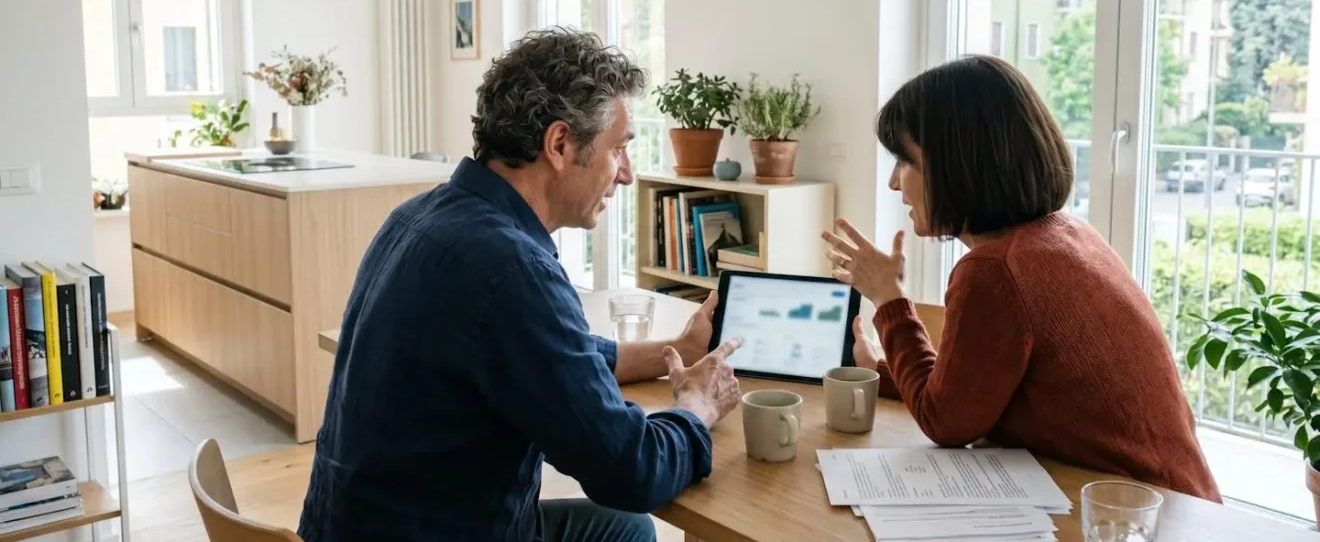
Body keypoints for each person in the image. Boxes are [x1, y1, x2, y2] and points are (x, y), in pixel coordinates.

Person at [298, 27, 743, 542]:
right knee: (631, 521)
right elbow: (632, 471)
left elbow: (552, 355)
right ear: (558, 144)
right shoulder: (512, 268)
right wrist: (698, 407)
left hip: (355, 527)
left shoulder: (416, 217)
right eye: (619, 149)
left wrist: (676, 349)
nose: (626, 175)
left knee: (627, 531)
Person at [821, 55, 1222, 502]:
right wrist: (879, 366)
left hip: (1132, 516)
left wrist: (889, 300)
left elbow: (946, 424)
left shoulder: (994, 270)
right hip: (1177, 503)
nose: (895, 183)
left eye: (905, 161)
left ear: (959, 166)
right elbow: (976, 394)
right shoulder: (1066, 235)